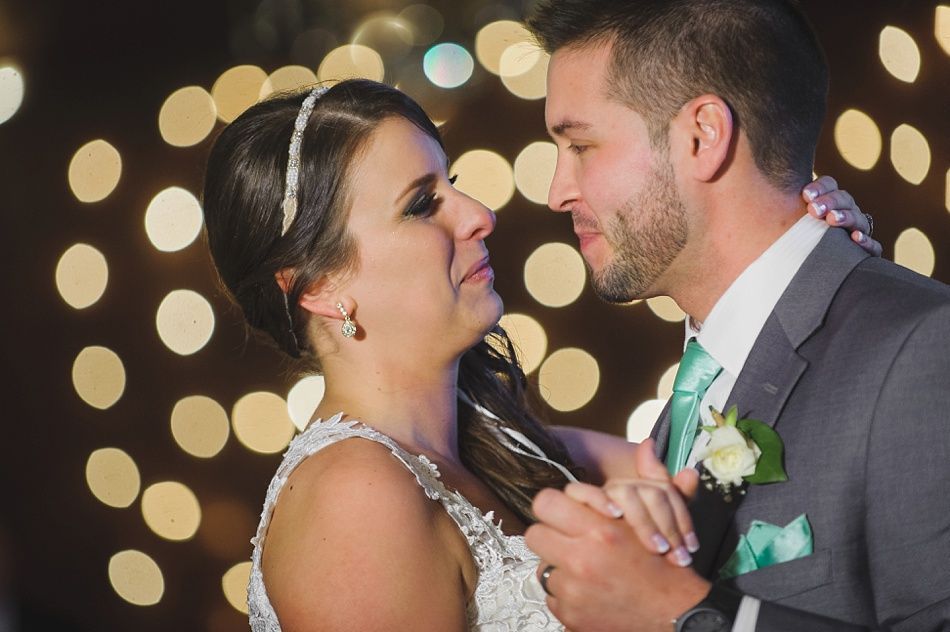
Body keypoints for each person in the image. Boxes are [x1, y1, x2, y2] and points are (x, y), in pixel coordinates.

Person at [201, 80, 874, 630]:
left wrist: (791, 267)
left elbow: (744, 466)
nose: (478, 213)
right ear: (320, 288)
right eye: (422, 205)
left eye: (452, 182)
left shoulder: (507, 446)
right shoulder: (354, 499)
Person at [522, 1, 950, 631]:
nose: (556, 191)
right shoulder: (700, 382)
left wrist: (676, 614)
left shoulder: (923, 351)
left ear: (703, 136)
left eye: (581, 145)